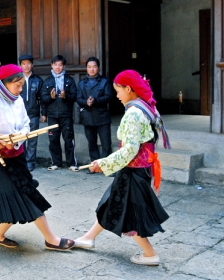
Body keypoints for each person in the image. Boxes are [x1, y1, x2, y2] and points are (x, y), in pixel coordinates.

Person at [0, 64, 75, 251]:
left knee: (20, 197)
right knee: (27, 195)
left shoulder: (18, 100)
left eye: (22, 85)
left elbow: (26, 125)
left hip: (17, 158)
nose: (20, 89)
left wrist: (17, 138)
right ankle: (51, 239)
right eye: (17, 85)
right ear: (4, 84)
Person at [74, 70, 171, 266]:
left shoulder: (134, 112)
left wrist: (103, 163)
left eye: (118, 91)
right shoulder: (147, 106)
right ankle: (88, 237)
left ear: (128, 89)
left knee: (130, 213)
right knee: (111, 202)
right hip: (140, 168)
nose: (117, 96)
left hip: (133, 171)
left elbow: (130, 149)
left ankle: (150, 254)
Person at [41, 55, 78, 172]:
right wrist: (50, 99)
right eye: (55, 65)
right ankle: (56, 163)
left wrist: (65, 96)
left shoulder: (69, 80)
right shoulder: (48, 81)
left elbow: (74, 96)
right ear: (52, 65)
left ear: (64, 66)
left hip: (65, 114)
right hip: (52, 114)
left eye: (60, 65)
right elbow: (43, 98)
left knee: (68, 139)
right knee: (53, 139)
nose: (57, 67)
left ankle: (71, 163)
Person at [76, 57, 113, 174]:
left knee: (106, 143)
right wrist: (86, 102)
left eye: (94, 66)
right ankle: (94, 166)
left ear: (98, 68)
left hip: (102, 116)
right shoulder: (82, 83)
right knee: (92, 143)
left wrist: (95, 100)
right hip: (88, 116)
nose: (92, 69)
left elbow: (109, 97)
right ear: (86, 68)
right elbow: (78, 98)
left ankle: (107, 167)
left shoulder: (105, 81)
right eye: (89, 67)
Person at [18, 54, 45, 172]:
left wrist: (43, 113)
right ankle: (21, 162)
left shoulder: (38, 80)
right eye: (24, 64)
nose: (26, 66)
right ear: (20, 65)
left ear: (32, 65)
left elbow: (42, 98)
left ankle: (30, 163)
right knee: (21, 139)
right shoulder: (17, 79)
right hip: (19, 114)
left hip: (33, 113)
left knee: (32, 139)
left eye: (28, 63)